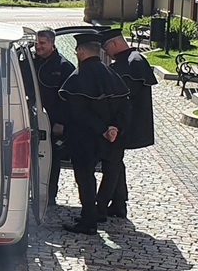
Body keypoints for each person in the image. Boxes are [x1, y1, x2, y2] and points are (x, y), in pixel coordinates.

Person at [58, 33, 131, 235]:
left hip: (85, 139)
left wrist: (103, 130)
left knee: (85, 178)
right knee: (111, 172)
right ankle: (100, 210)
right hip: (111, 139)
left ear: (81, 51)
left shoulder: (77, 78)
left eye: (77, 51)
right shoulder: (113, 76)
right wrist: (115, 128)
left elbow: (79, 113)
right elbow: (125, 107)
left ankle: (89, 220)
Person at [98, 28, 157, 219]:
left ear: (115, 43)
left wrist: (115, 125)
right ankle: (118, 203)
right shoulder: (130, 61)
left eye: (106, 48)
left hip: (123, 125)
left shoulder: (132, 64)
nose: (106, 53)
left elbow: (124, 99)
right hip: (123, 124)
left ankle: (102, 206)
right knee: (115, 163)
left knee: (112, 164)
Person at [33, 29, 76, 206]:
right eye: (36, 43)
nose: (38, 46)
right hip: (31, 118)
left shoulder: (64, 66)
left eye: (42, 43)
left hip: (53, 121)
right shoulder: (29, 62)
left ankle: (49, 195)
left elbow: (70, 100)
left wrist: (61, 122)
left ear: (52, 43)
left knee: (51, 158)